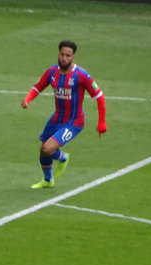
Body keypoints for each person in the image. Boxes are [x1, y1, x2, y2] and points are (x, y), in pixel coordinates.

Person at [21, 40, 107, 189]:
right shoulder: (52, 72)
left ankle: (63, 158)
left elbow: (99, 96)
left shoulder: (82, 75)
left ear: (73, 57)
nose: (64, 58)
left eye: (68, 55)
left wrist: (102, 122)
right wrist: (27, 99)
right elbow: (38, 87)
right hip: (56, 119)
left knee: (48, 149)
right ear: (58, 54)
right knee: (43, 149)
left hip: (74, 122)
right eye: (62, 54)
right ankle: (48, 180)